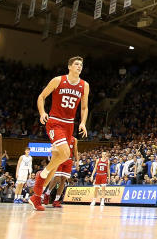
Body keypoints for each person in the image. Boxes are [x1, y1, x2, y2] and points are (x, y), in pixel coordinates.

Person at [30, 56, 89, 211]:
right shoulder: (58, 80)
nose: (79, 66)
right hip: (55, 121)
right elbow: (41, 97)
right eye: (76, 64)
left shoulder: (84, 85)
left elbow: (84, 107)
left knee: (56, 163)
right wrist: (42, 112)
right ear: (69, 66)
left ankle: (36, 197)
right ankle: (40, 178)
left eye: (81, 65)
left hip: (69, 124)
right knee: (64, 153)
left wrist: (82, 122)